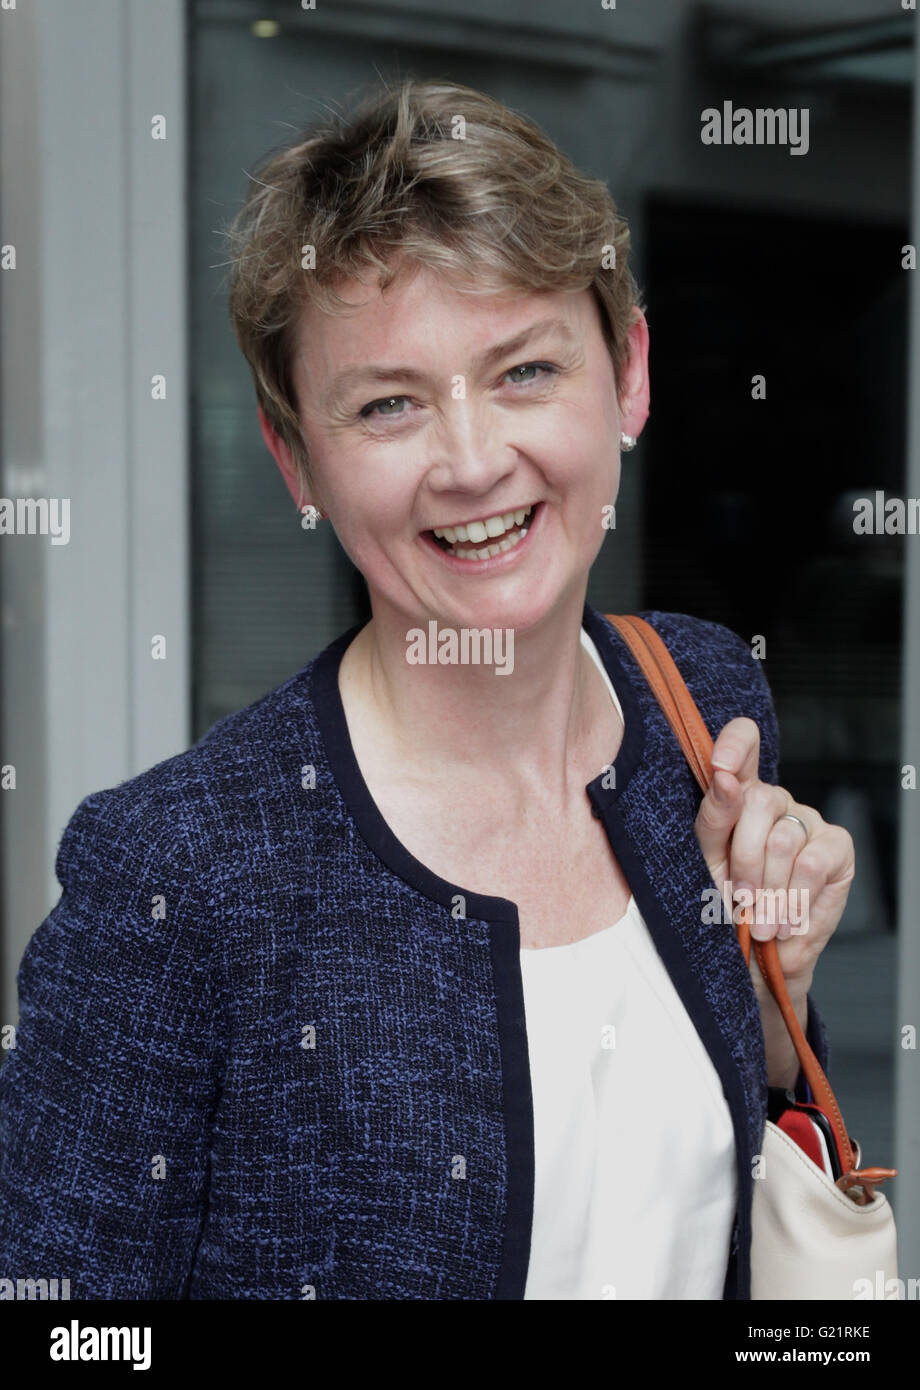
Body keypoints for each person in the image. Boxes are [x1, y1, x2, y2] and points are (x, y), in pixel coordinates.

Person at [0, 77, 854, 1301]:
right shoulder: (179, 872)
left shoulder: (701, 700)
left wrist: (782, 994)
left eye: (521, 372)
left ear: (626, 374)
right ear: (296, 455)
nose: (467, 462)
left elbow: (741, 1157)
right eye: (388, 403)